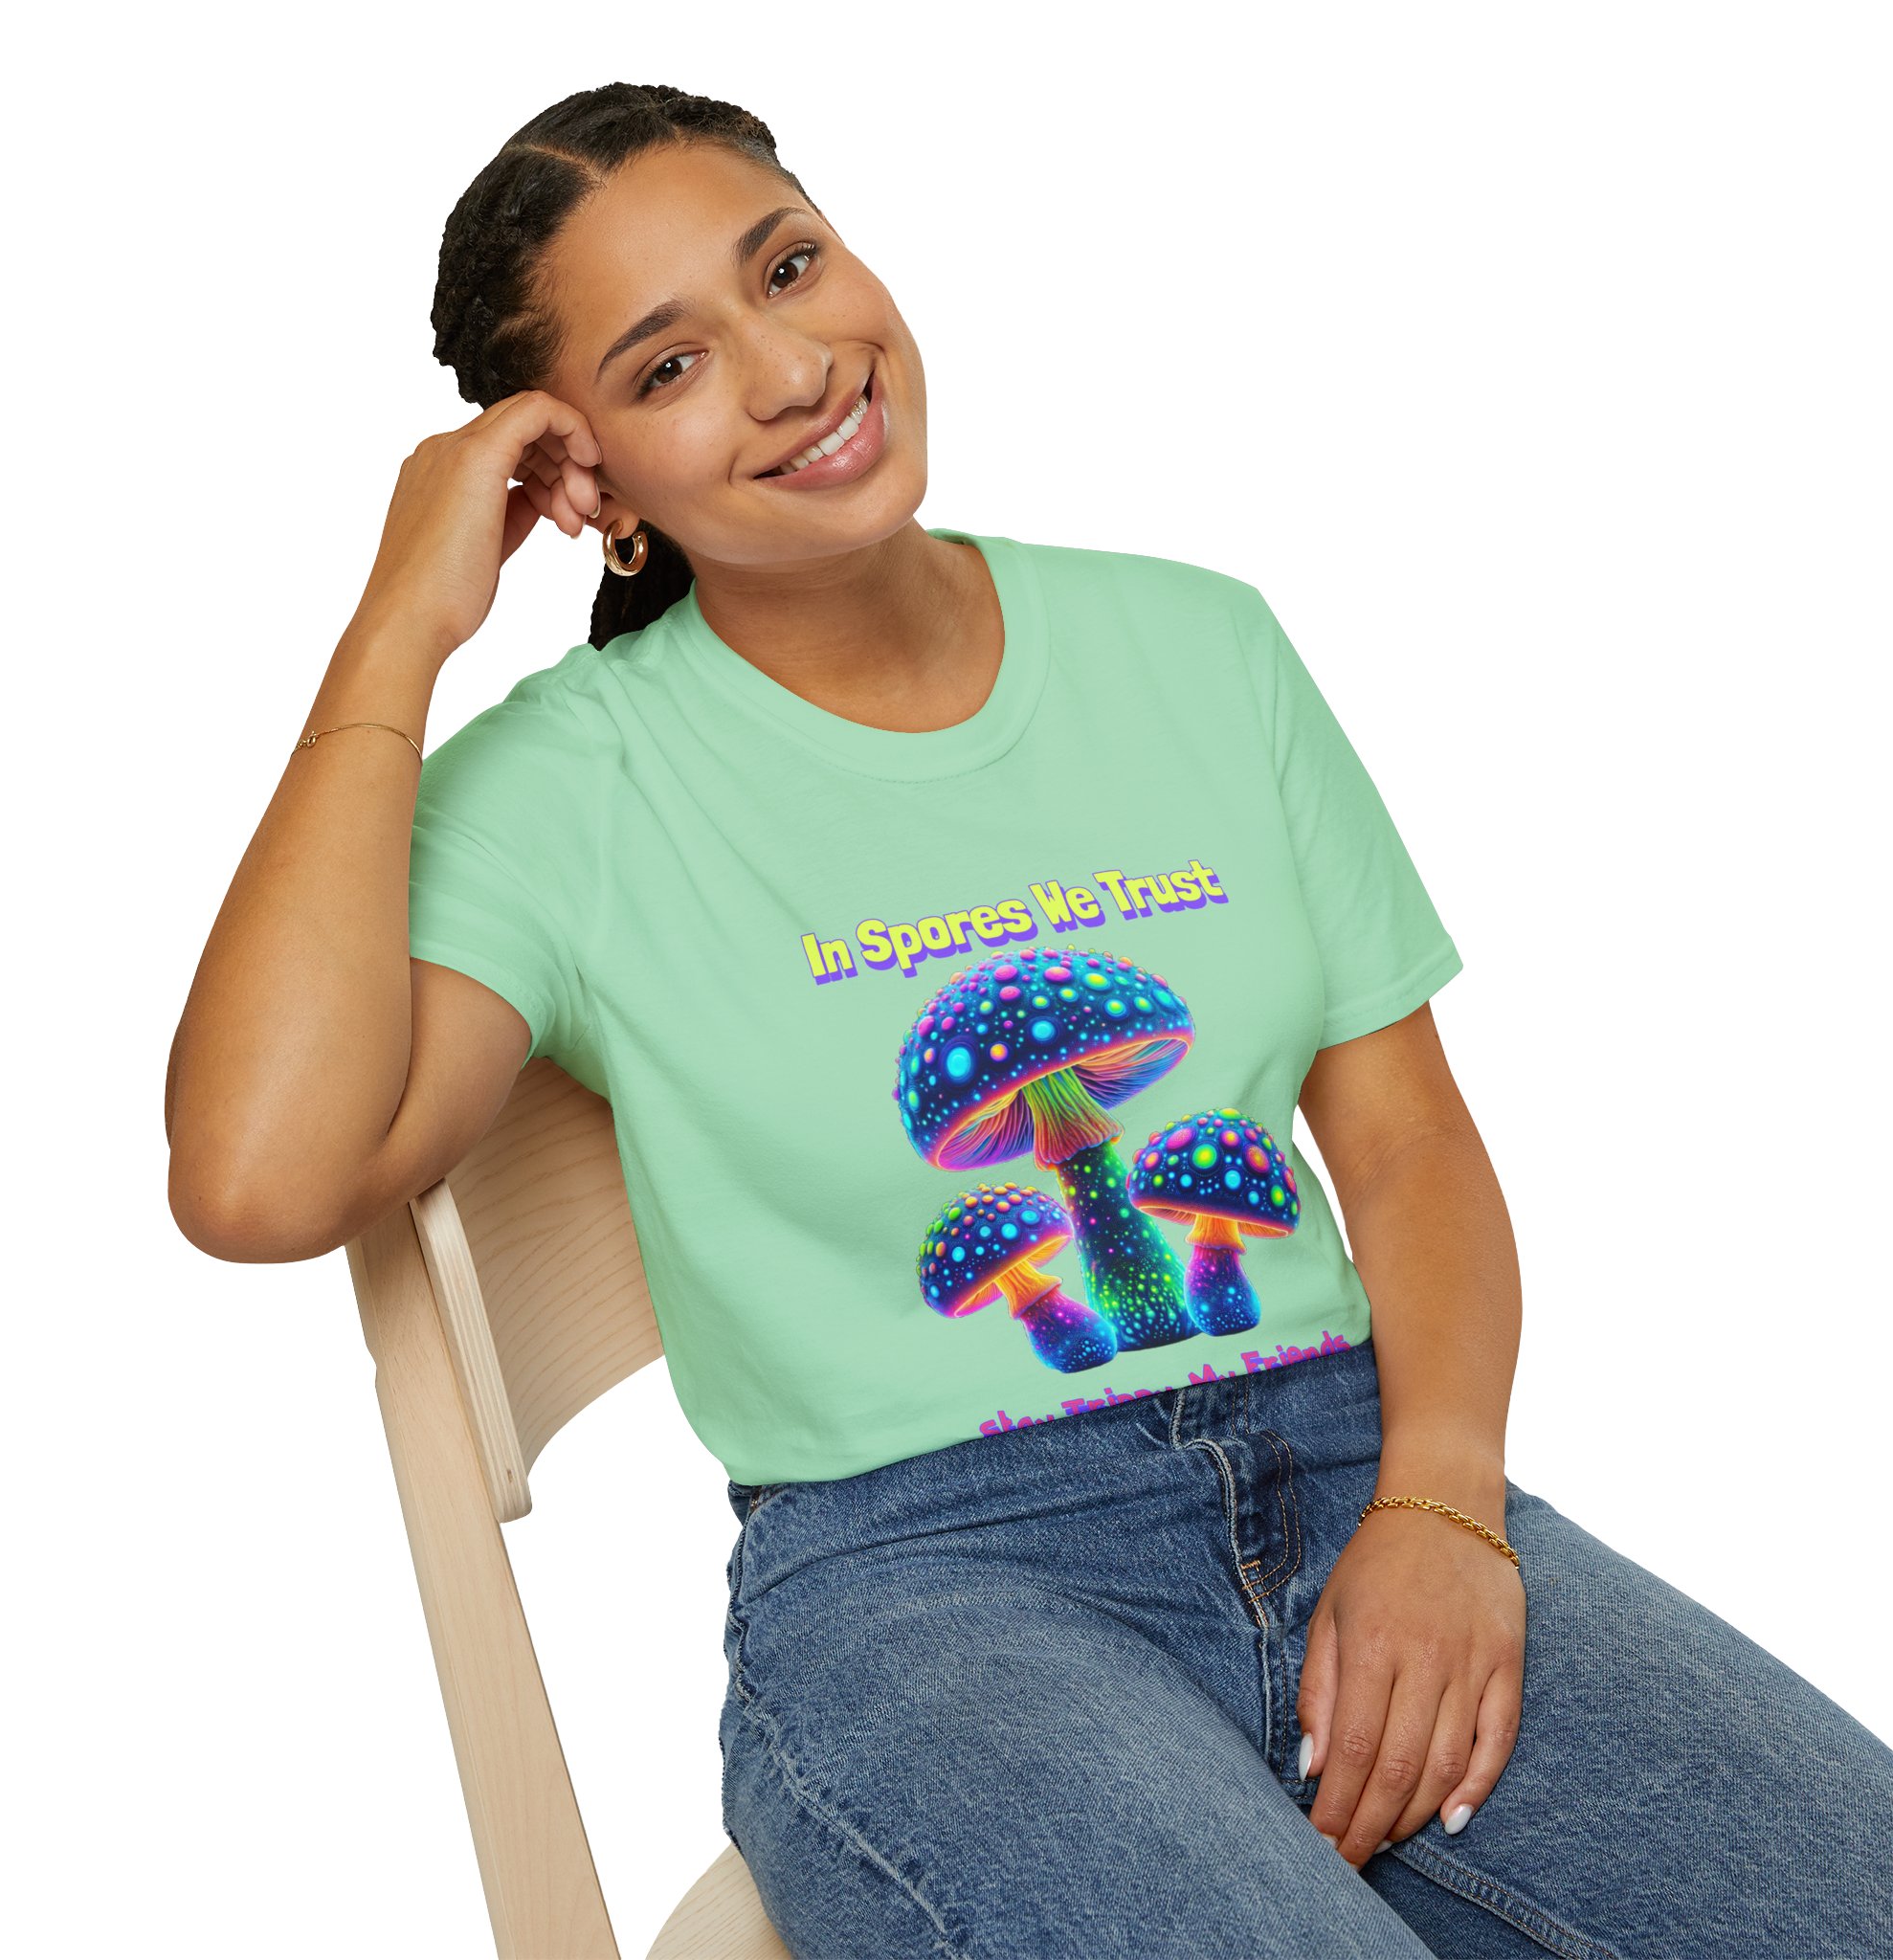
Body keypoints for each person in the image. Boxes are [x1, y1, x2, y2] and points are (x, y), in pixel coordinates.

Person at [165, 81, 1893, 1960]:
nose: (792, 370)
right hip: (931, 1585)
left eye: (788, 268)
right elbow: (257, 1178)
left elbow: (1405, 1145)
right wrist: (397, 627)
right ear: (593, 488)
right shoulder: (571, 786)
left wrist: (1445, 1506)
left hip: (1359, 1464)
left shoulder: (1202, 646)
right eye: (669, 366)